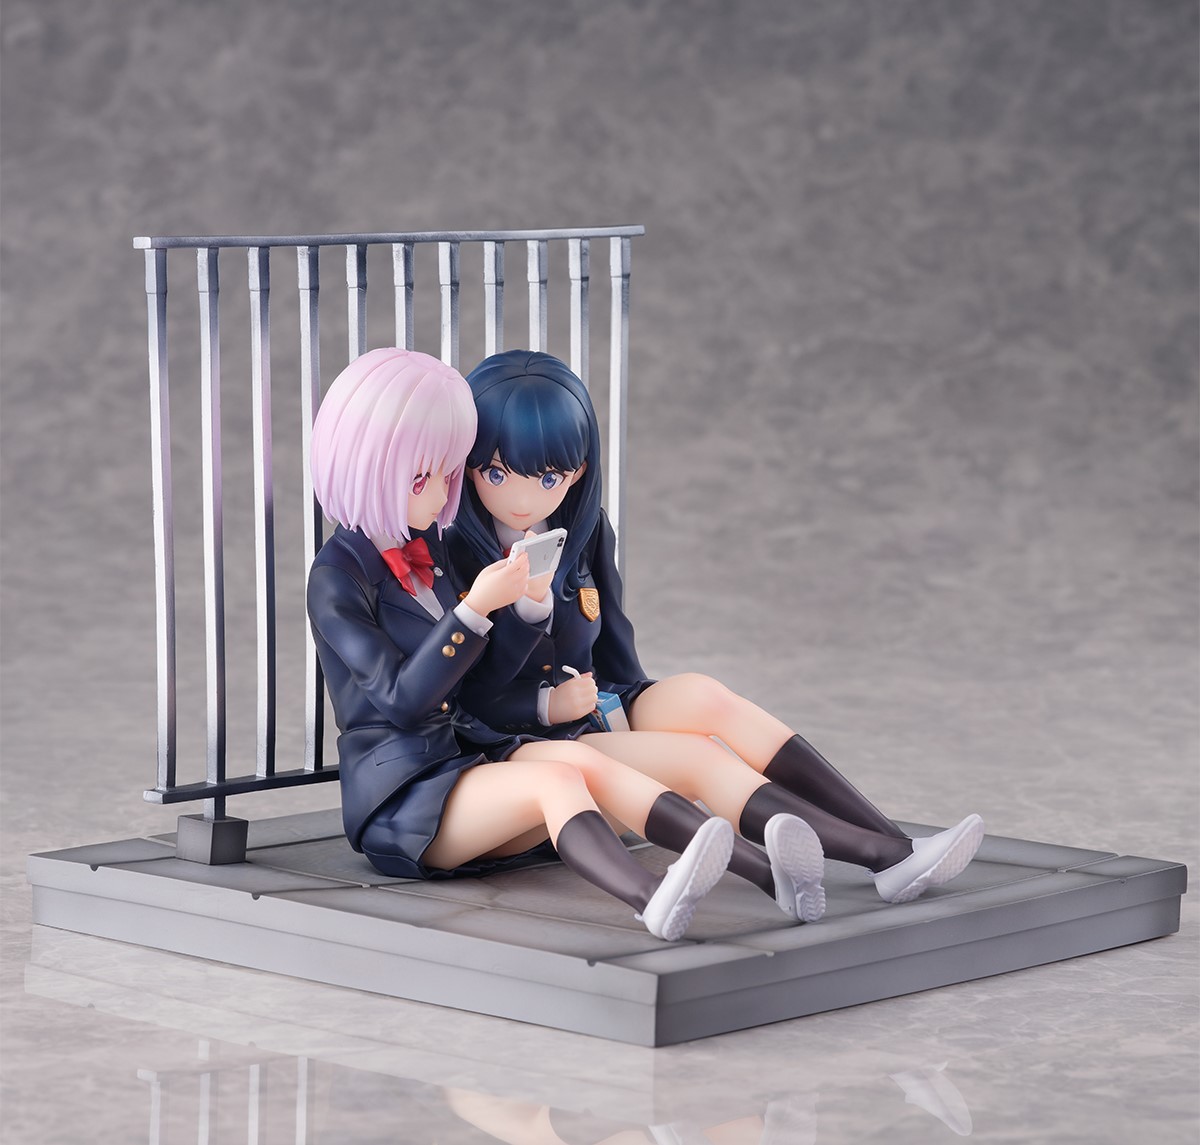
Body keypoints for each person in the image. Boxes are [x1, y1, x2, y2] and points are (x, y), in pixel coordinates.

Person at [448, 350, 985, 906]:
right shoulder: (452, 550)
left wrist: (630, 706)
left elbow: (614, 649)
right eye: (496, 473)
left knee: (703, 696)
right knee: (699, 754)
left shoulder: (581, 531)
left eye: (549, 477)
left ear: (578, 470)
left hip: (590, 710)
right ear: (468, 465)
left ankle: (896, 843)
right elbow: (457, 698)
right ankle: (882, 855)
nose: (521, 498)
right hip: (519, 744)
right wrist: (544, 703)